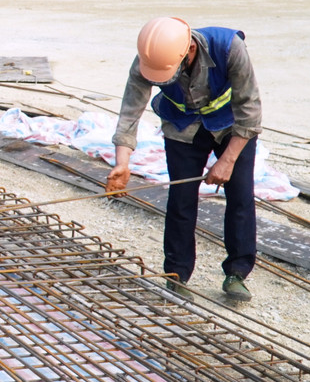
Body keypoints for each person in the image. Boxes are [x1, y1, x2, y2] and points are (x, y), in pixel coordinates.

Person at [105, 17, 262, 302]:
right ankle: (176, 274)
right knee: (181, 199)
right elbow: (130, 112)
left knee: (240, 195)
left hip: (231, 126)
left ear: (189, 50)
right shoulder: (149, 59)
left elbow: (250, 112)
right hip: (182, 126)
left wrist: (226, 161)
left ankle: (237, 271)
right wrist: (122, 162)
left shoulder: (229, 48)